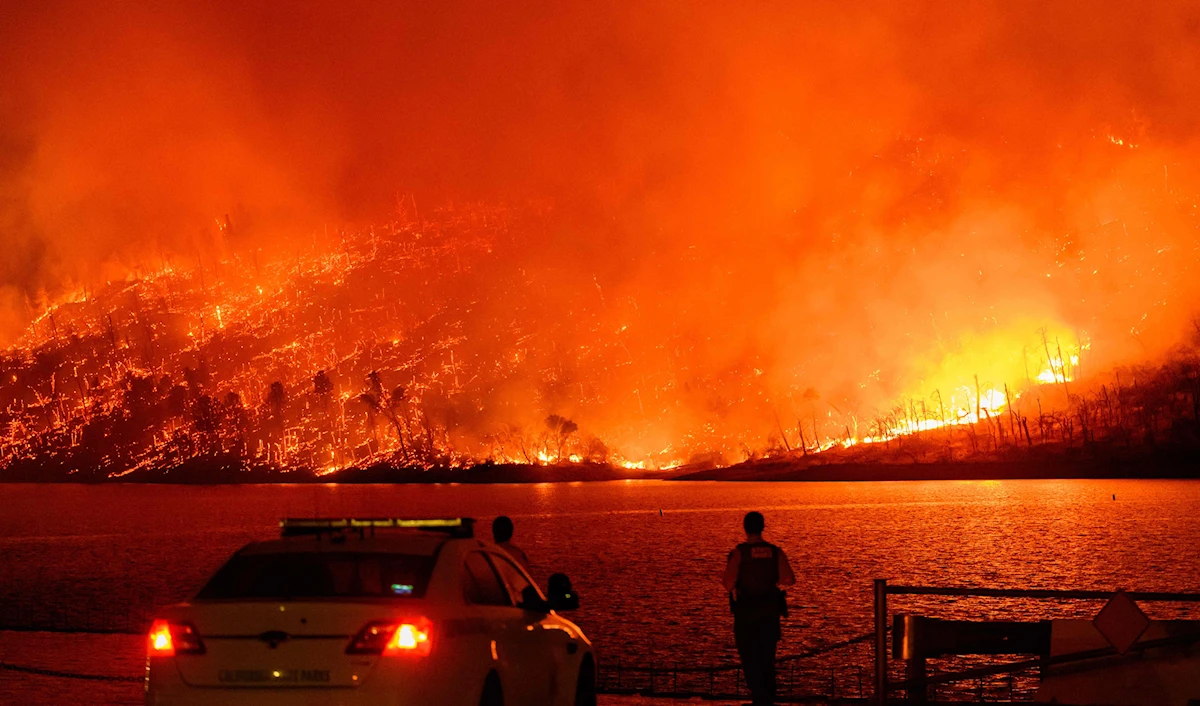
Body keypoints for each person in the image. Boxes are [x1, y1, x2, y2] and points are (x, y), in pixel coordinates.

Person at [721, 511, 795, 706]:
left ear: (745, 528)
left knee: (750, 657)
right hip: (769, 614)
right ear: (763, 527)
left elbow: (727, 583)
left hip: (746, 614)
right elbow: (788, 579)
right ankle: (768, 699)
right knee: (768, 656)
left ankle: (759, 699)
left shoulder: (738, 553)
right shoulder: (775, 551)